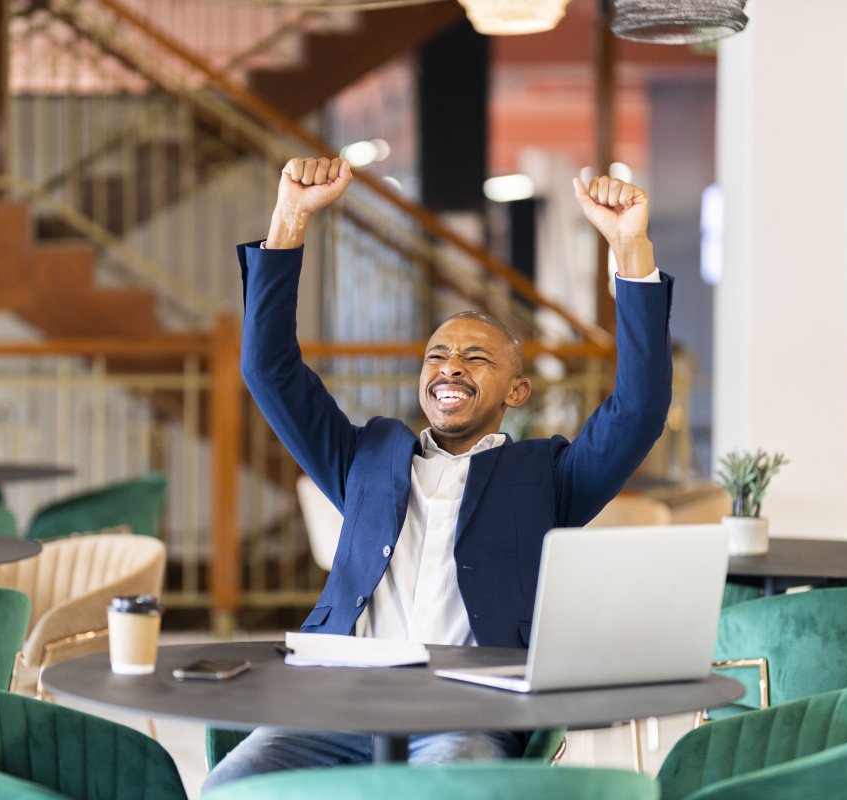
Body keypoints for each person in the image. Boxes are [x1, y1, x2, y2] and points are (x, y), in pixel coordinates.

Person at [203, 157, 672, 791]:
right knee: (232, 787)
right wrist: (289, 218)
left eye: (476, 358)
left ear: (517, 390)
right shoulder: (365, 457)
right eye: (437, 356)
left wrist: (630, 249)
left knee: (446, 791)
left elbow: (639, 407)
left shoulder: (546, 478)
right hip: (336, 701)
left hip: (465, 713)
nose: (450, 368)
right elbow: (269, 370)